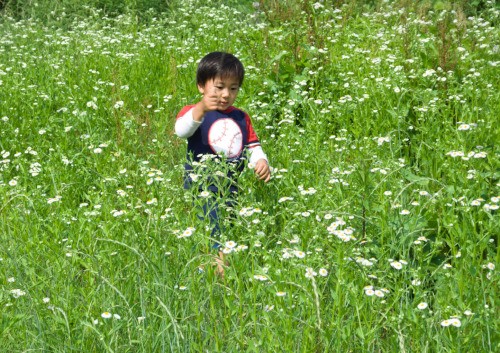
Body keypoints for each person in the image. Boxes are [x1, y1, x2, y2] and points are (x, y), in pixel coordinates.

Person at [175, 51, 270, 274]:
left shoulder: (240, 117)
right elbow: (180, 131)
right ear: (201, 86)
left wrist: (261, 160)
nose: (226, 94)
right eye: (219, 87)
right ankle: (218, 272)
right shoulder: (195, 112)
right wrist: (201, 108)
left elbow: (252, 146)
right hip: (203, 185)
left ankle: (209, 268)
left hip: (232, 185)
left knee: (229, 225)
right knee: (213, 226)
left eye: (233, 88)